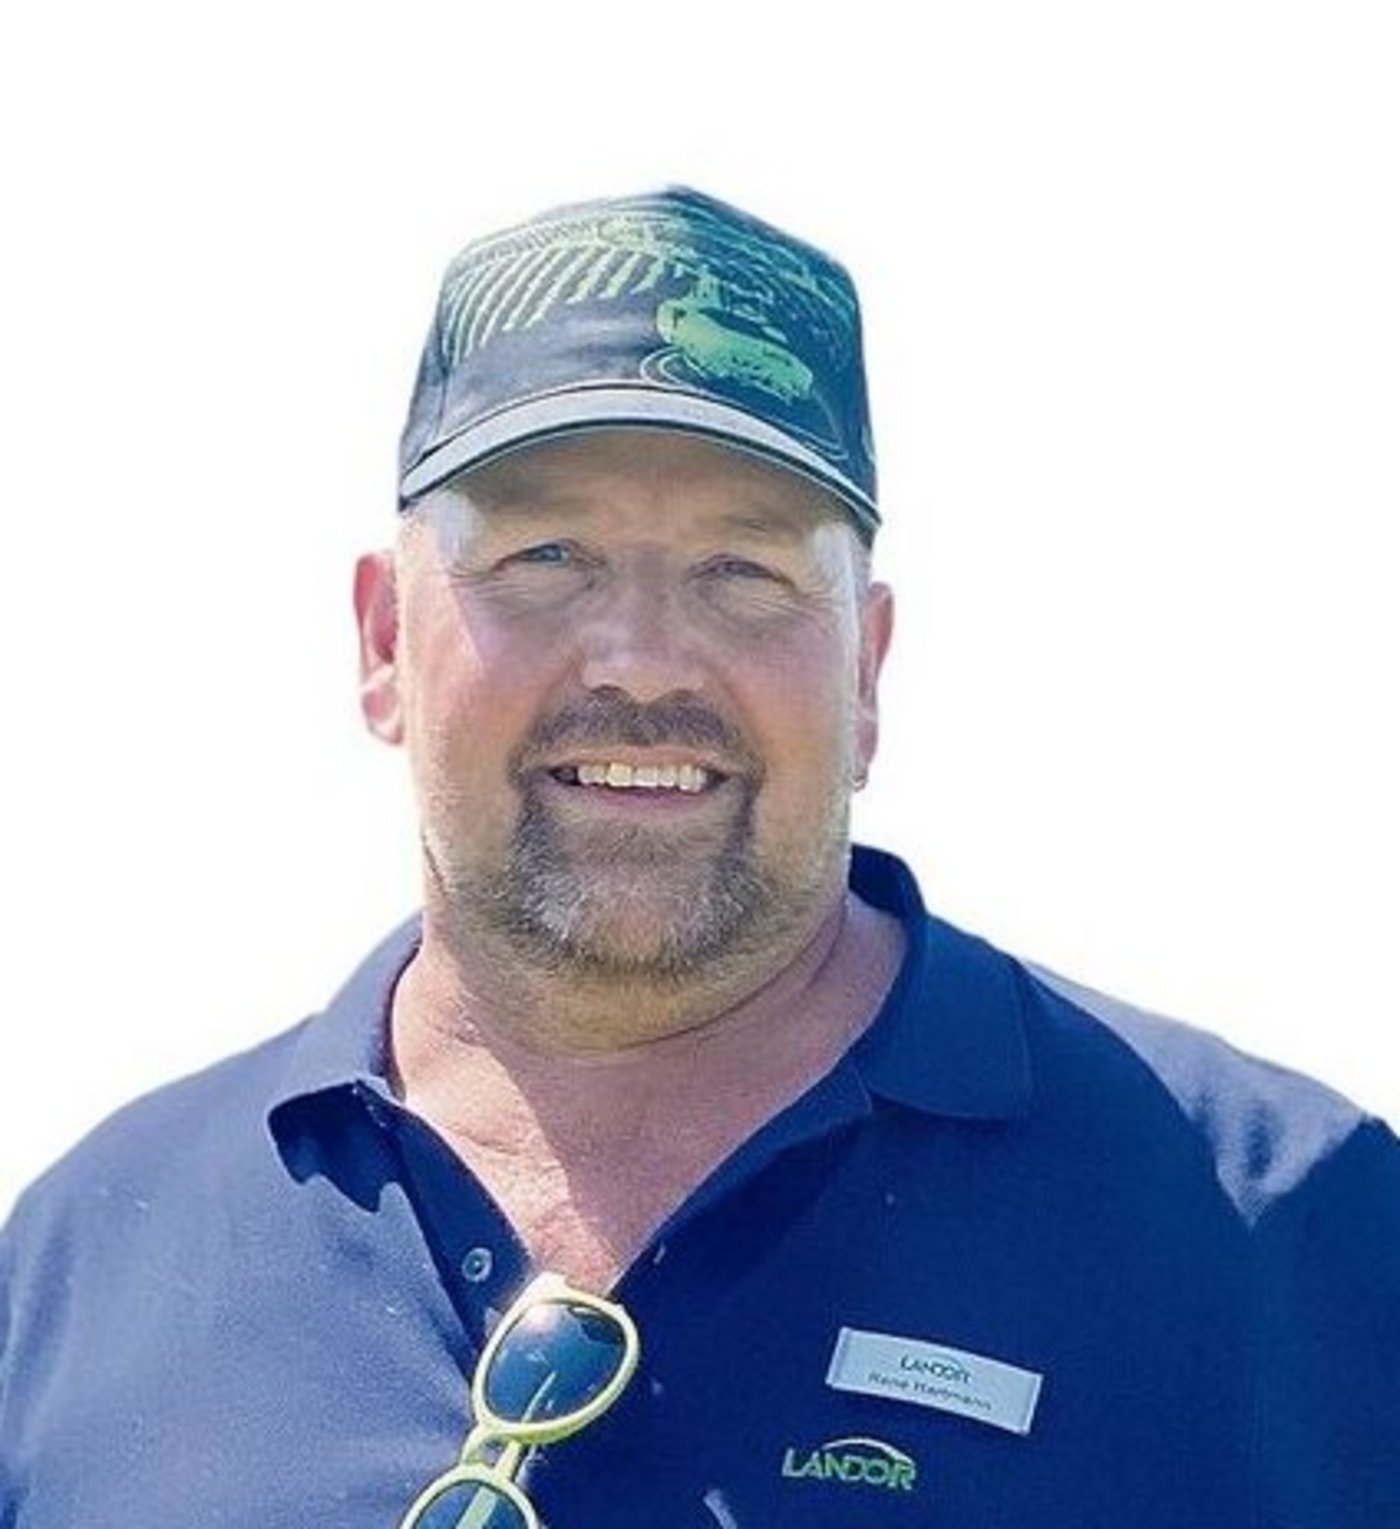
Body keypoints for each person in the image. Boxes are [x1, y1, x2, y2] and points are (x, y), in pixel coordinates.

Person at [1, 187, 1396, 1529]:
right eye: (546, 556)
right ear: (383, 642)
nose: (644, 660)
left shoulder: (1283, 1228)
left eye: (744, 569)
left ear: (866, 669)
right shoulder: (77, 1271)